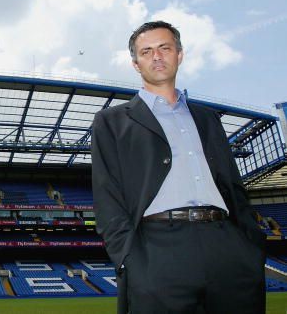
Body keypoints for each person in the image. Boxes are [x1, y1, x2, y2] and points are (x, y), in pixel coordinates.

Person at [91, 21, 266, 313]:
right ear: (136, 64)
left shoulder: (208, 118)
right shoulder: (112, 121)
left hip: (228, 247)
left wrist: (251, 244)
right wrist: (128, 258)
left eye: (165, 48)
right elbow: (107, 194)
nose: (157, 56)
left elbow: (234, 186)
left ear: (179, 55)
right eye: (147, 51)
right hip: (157, 249)